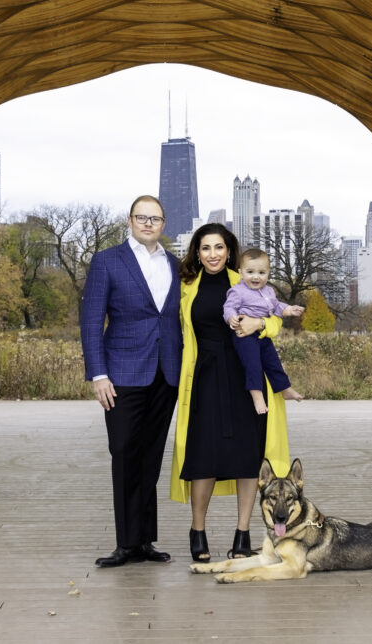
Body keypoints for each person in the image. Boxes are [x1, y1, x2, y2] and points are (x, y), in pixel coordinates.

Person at [169, 223, 292, 564]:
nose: (213, 254)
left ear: (229, 250)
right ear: (197, 251)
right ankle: (198, 530)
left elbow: (276, 316)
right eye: (206, 248)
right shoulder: (185, 286)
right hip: (204, 377)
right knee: (203, 456)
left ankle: (243, 534)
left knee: (247, 456)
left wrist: (261, 325)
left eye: (219, 247)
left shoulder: (246, 278)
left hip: (245, 376)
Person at [80, 195, 182, 568]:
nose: (148, 223)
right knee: (124, 452)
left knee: (151, 457)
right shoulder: (107, 261)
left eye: (155, 218)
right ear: (130, 220)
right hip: (121, 374)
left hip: (165, 373)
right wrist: (98, 373)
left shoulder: (174, 264)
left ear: (163, 223)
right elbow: (91, 320)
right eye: (142, 217)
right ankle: (125, 543)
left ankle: (143, 541)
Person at [223, 248, 305, 415]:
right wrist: (230, 317)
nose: (256, 277)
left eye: (261, 272)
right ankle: (257, 395)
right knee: (252, 363)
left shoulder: (269, 291)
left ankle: (285, 388)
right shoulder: (237, 291)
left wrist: (289, 309)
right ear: (240, 272)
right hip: (244, 335)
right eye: (250, 272)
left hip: (262, 334)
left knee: (273, 361)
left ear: (268, 273)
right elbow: (229, 306)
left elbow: (276, 307)